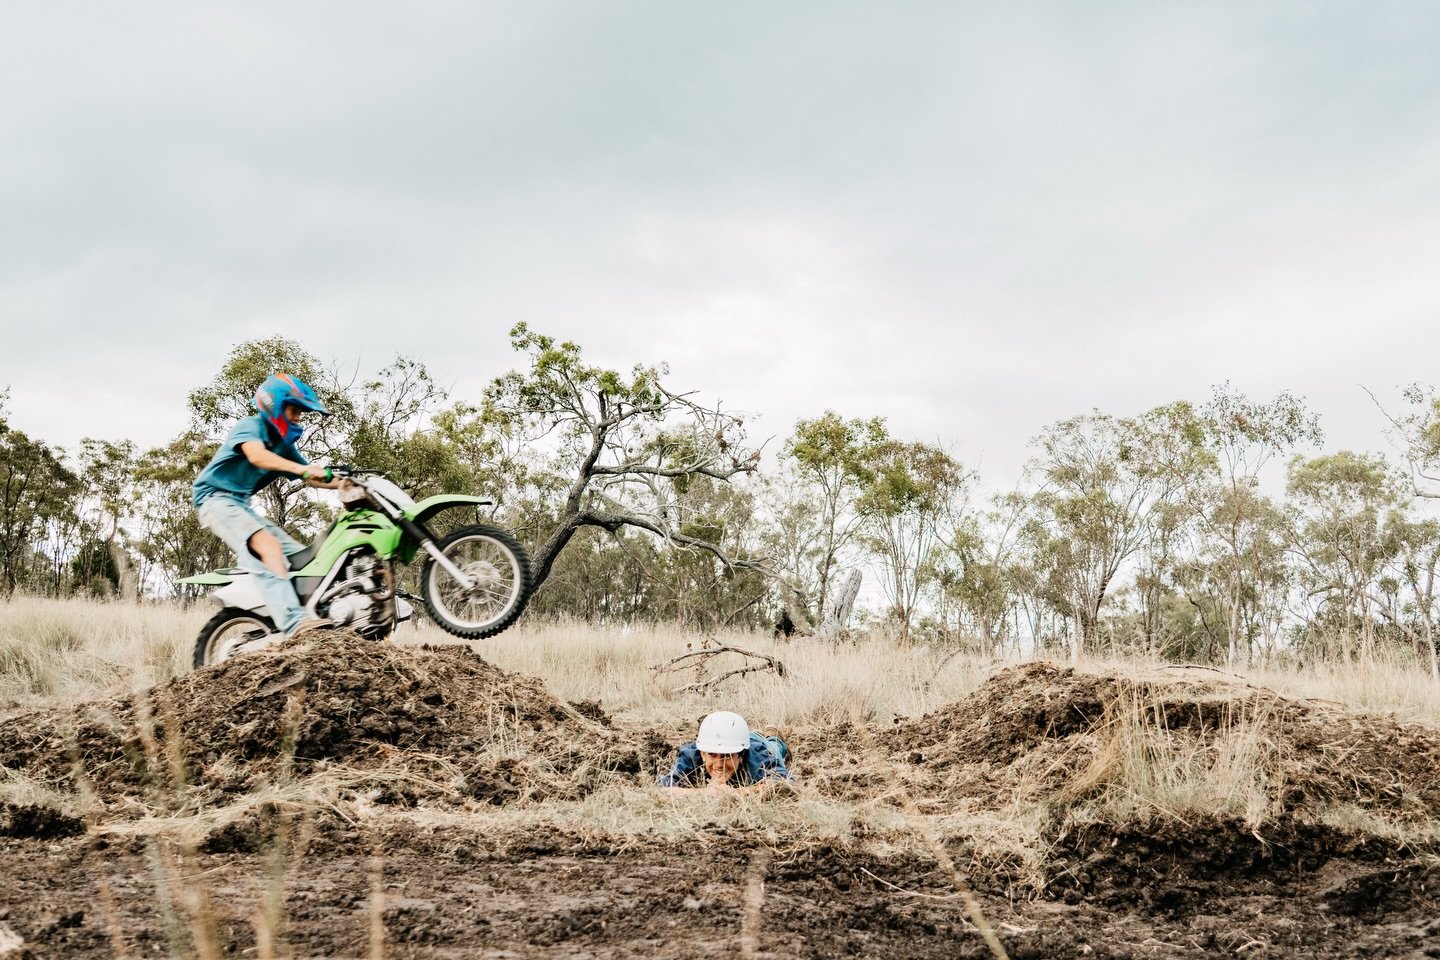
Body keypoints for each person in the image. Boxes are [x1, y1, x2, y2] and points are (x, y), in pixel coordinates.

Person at [192, 373, 346, 638]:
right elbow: (257, 456)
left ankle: (306, 616)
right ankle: (293, 622)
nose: (298, 418)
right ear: (275, 406)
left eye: (301, 413)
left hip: (241, 504)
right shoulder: (250, 426)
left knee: (307, 559)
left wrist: (350, 483)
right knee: (267, 546)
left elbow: (314, 477)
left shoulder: (282, 446)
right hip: (213, 498)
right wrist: (306, 470)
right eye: (294, 410)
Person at [658, 711, 792, 795]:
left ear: (741, 756)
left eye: (727, 756)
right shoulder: (691, 755)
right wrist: (707, 793)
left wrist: (736, 792)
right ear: (702, 754)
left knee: (774, 748)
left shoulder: (758, 757)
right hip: (739, 738)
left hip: (758, 743)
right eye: (712, 755)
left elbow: (786, 784)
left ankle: (772, 735)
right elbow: (663, 790)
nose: (719, 764)